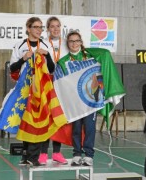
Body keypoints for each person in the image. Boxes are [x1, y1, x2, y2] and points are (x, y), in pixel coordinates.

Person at [9, 17, 55, 167]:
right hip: (25, 88)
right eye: (35, 27)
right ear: (28, 28)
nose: (38, 30)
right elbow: (12, 68)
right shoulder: (20, 45)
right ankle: (26, 155)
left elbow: (52, 68)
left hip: (40, 89)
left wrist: (47, 56)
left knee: (38, 120)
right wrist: (23, 59)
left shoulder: (46, 45)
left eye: (41, 27)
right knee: (26, 121)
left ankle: (33, 156)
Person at [58, 31, 97, 166]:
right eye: (71, 41)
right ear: (67, 44)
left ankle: (89, 155)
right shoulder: (63, 62)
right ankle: (77, 154)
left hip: (90, 101)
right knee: (76, 128)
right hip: (74, 102)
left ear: (81, 42)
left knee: (90, 127)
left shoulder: (91, 57)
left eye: (77, 41)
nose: (74, 43)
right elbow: (60, 82)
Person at [38, 16, 68, 165]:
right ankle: (43, 153)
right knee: (46, 119)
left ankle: (56, 152)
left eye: (58, 26)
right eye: (52, 26)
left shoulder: (67, 45)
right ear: (48, 28)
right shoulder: (43, 44)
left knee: (59, 120)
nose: (55, 29)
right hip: (47, 85)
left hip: (62, 86)